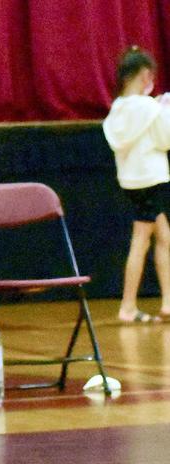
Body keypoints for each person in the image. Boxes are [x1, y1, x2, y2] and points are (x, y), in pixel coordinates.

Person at [103, 46, 170, 324]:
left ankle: (167, 301)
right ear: (145, 76)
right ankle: (128, 306)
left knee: (164, 237)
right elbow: (166, 140)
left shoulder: (117, 108)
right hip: (152, 178)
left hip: (131, 181)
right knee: (141, 240)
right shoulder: (150, 108)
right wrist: (164, 110)